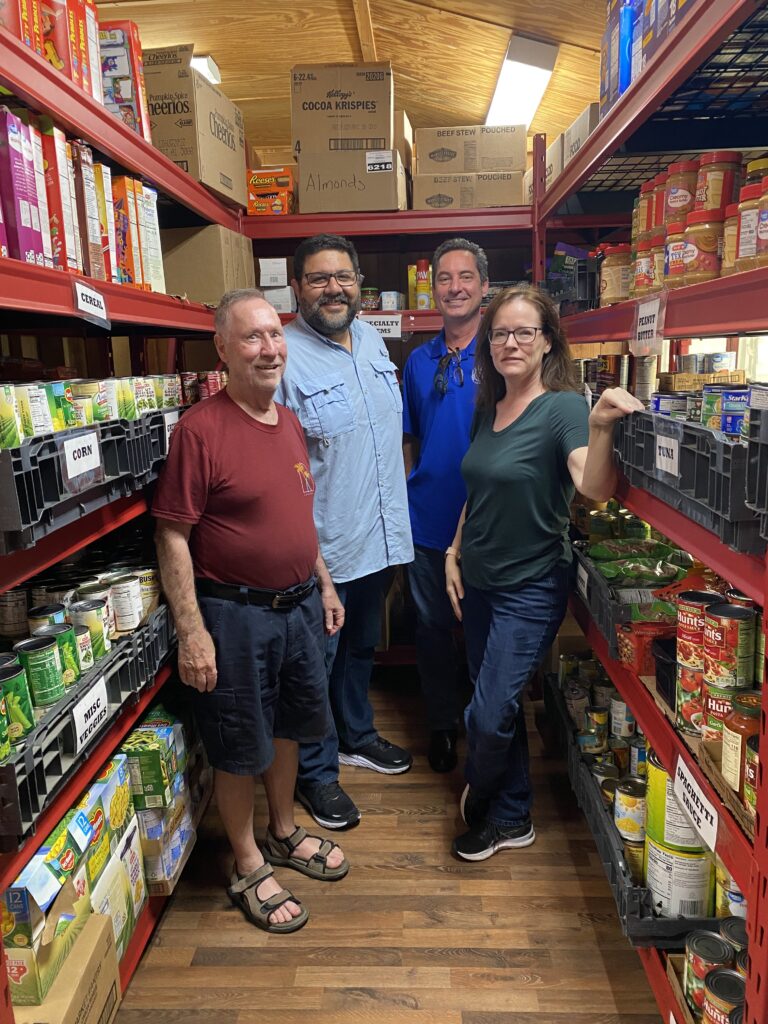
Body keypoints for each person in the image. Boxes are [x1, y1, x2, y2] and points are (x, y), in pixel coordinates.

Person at [153, 289, 348, 933]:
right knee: (239, 743)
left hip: (296, 608)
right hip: (234, 615)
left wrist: (322, 582)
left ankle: (285, 830)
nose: (269, 349)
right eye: (252, 338)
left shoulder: (285, 419)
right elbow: (173, 535)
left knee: (289, 726)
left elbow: (297, 517)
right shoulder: (200, 430)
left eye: (274, 335)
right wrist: (192, 631)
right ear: (224, 349)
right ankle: (245, 861)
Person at [444, 284, 643, 861]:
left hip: (530, 587)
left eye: (523, 331)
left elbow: (593, 486)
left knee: (487, 712)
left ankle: (484, 790)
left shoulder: (562, 407)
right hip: (478, 580)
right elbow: (476, 489)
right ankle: (511, 815)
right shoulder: (490, 405)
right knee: (495, 704)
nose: (510, 342)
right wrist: (453, 552)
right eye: (500, 332)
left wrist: (601, 423)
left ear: (547, 340)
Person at [278, 233, 414, 831]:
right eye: (318, 278)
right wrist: (311, 560)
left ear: (359, 283)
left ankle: (356, 735)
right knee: (314, 664)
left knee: (359, 649)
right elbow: (281, 471)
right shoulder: (282, 356)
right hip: (324, 550)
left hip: (378, 538)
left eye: (343, 276)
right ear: (296, 288)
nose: (333, 288)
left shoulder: (373, 343)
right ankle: (316, 773)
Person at [402, 238, 489, 773]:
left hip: (486, 522)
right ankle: (441, 724)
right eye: (444, 278)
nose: (454, 287)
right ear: (433, 288)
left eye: (465, 277)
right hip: (428, 518)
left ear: (484, 285)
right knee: (431, 630)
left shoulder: (503, 352)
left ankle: (483, 729)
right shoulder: (417, 360)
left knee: (482, 630)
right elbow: (410, 436)